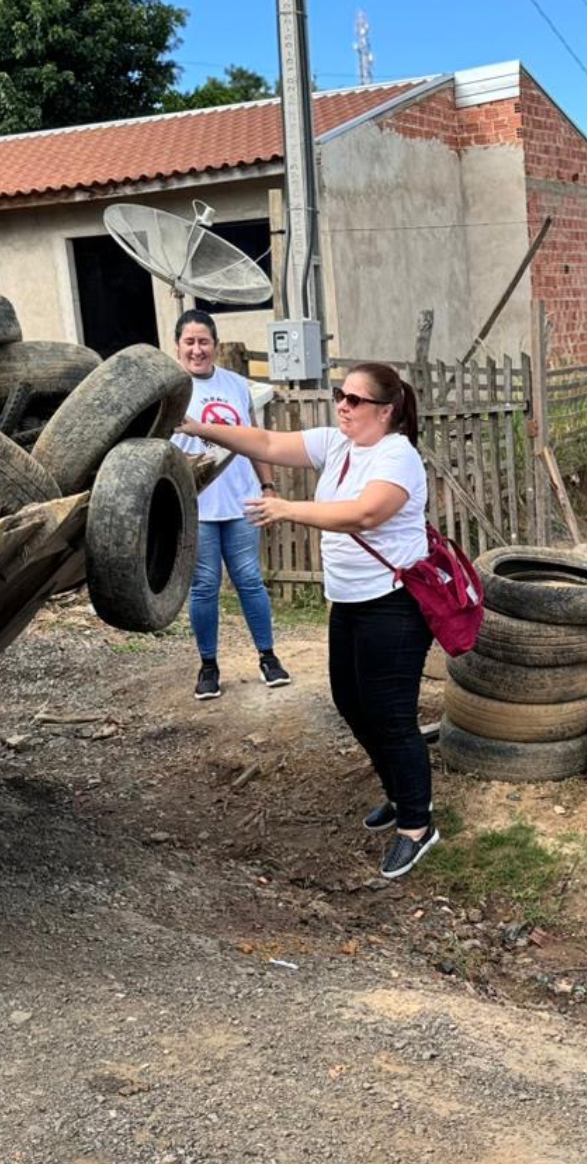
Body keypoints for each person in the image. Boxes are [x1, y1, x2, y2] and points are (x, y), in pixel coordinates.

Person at [177, 362, 436, 880]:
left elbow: (364, 513)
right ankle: (397, 791)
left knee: (391, 715)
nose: (343, 404)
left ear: (386, 411)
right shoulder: (336, 444)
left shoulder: (398, 457)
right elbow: (268, 441)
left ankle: (418, 824)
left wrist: (287, 509)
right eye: (341, 394)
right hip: (349, 600)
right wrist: (197, 427)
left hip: (393, 604)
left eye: (356, 400)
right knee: (350, 701)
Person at [170, 311, 291, 700]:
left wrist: (268, 485)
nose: (197, 349)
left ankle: (268, 658)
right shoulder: (169, 391)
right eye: (189, 342)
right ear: (178, 347)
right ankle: (208, 666)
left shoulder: (237, 386)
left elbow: (257, 441)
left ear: (216, 346)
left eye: (204, 341)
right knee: (204, 587)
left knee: (250, 581)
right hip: (196, 507)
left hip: (241, 501)